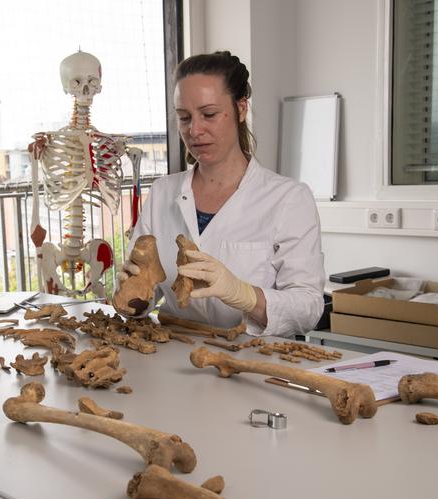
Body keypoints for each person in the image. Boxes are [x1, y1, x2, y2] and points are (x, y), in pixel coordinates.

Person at [117, 51, 325, 338]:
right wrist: (133, 293)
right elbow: (146, 301)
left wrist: (244, 294)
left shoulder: (288, 198)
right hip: (172, 359)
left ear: (241, 109)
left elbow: (309, 309)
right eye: (184, 117)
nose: (195, 130)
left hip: (253, 364)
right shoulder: (163, 193)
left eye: (209, 114)